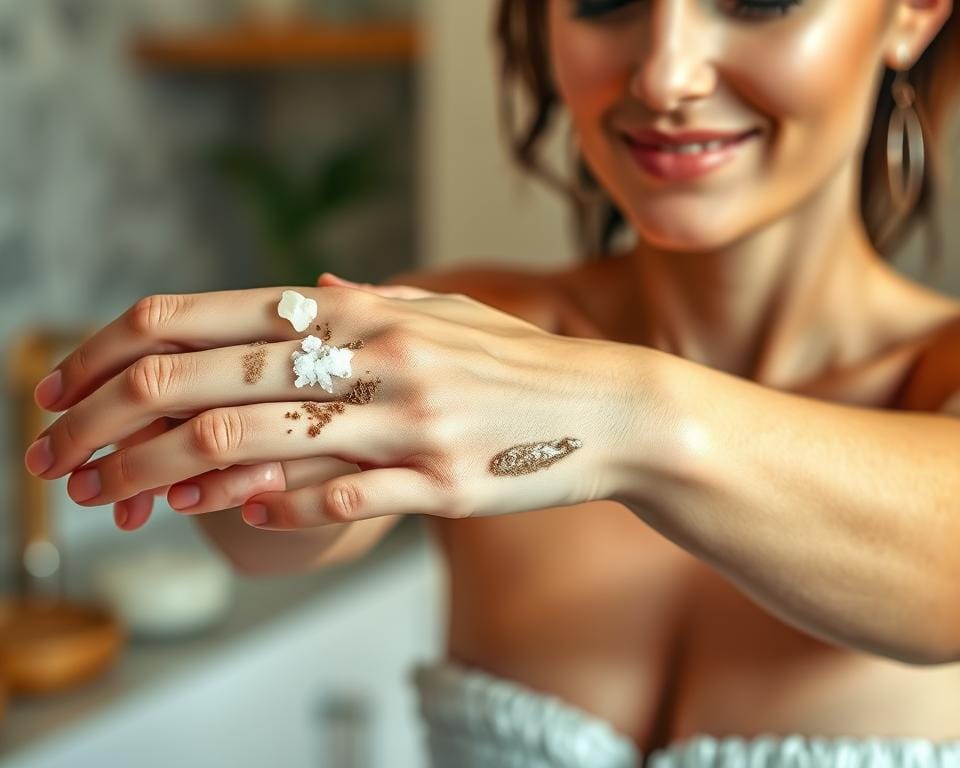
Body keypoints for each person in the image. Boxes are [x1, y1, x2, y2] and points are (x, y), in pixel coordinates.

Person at [23, 0, 960, 764]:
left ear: (912, 14)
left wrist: (620, 414)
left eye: (758, 0)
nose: (666, 74)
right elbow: (261, 538)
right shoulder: (465, 338)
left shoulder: (938, 376)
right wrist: (222, 434)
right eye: (605, 0)